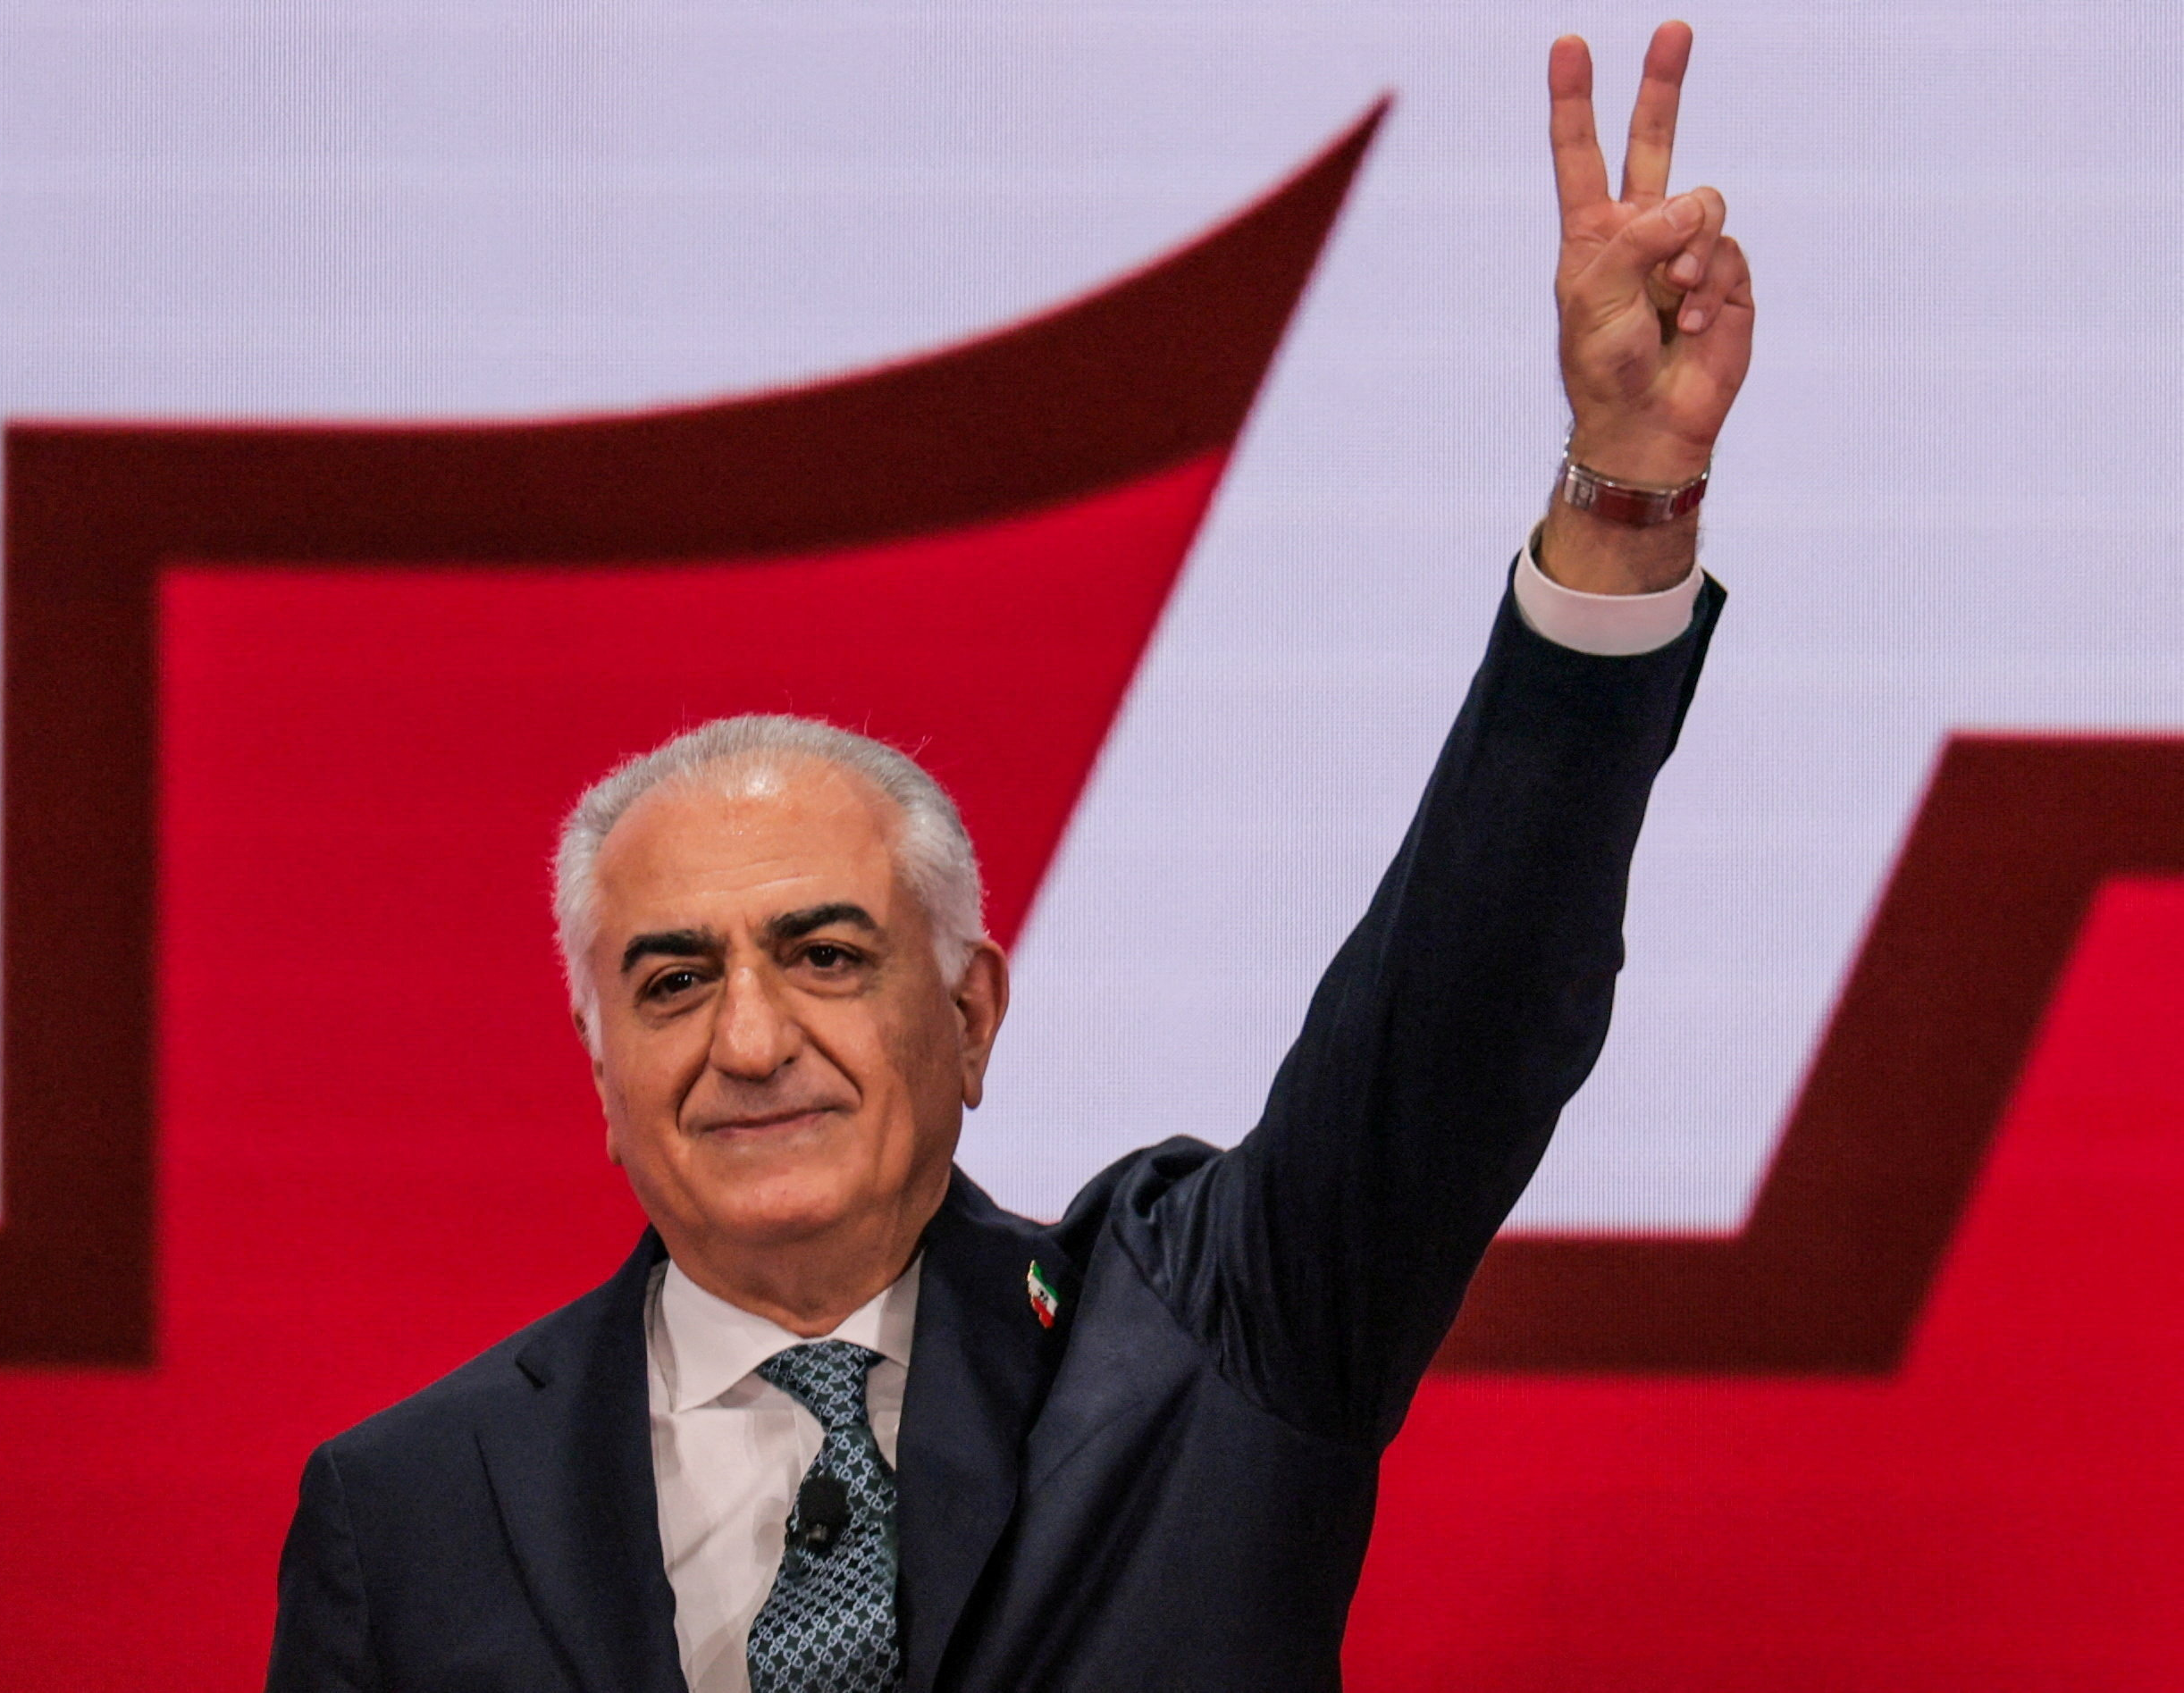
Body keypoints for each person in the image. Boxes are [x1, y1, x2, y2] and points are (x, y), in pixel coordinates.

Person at [268, 21, 1752, 1693]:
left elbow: (1461, 1016)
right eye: (672, 980)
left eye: (827, 955)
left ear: (972, 1013)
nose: (750, 1041)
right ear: (597, 1057)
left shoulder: (1202, 1343)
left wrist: (1623, 497)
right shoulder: (403, 1509)